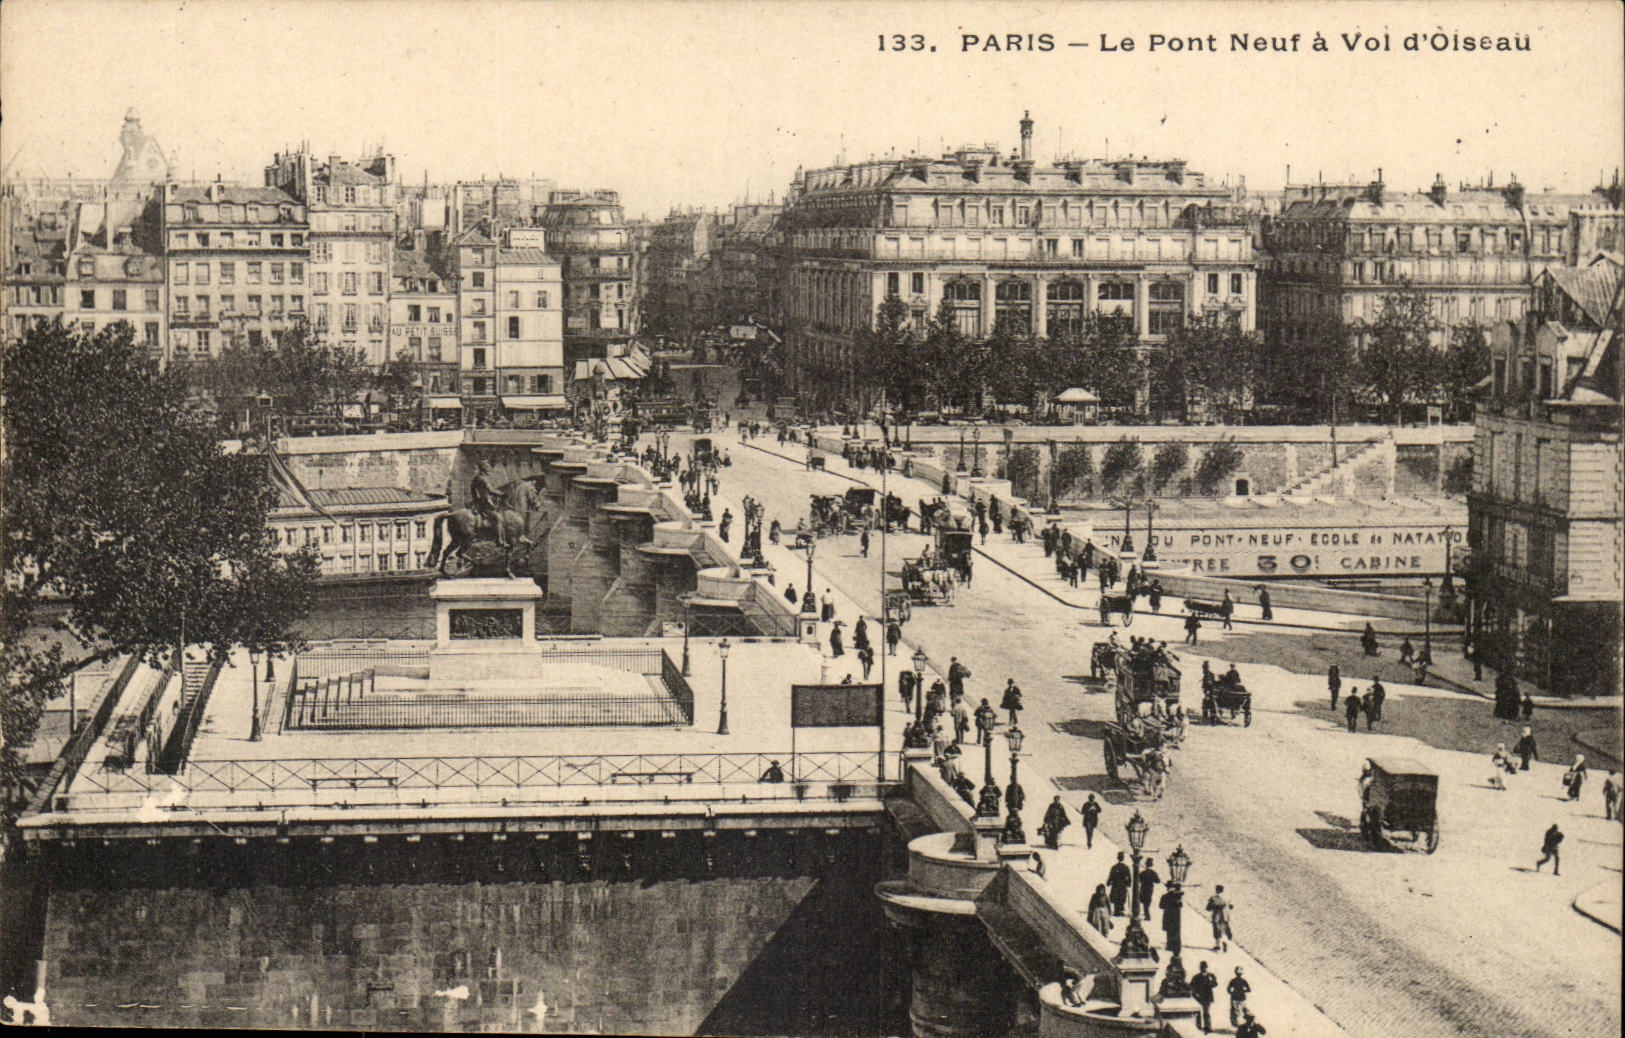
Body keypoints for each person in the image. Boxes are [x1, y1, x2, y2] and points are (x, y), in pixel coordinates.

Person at [1189, 963, 1219, 1034]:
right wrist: (1195, 993)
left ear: (1207, 968)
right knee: (1198, 1012)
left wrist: (1210, 982)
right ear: (1200, 968)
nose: (1204, 969)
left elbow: (1215, 984)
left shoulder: (1211, 975)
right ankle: (1198, 1026)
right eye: (1202, 967)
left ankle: (1207, 1027)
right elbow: (1191, 985)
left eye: (1205, 967)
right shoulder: (1196, 977)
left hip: (1208, 997)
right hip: (1199, 996)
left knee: (1206, 1012)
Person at [1206, 886, 1233, 952]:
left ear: (1217, 890)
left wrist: (1214, 906)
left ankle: (1218, 945)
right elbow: (1231, 906)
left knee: (1217, 930)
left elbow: (1208, 908)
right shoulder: (1227, 897)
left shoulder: (1214, 898)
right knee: (1224, 930)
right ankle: (1225, 942)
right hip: (1225, 916)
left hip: (1217, 916)